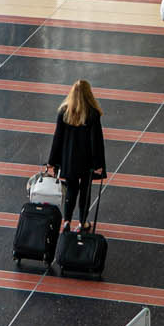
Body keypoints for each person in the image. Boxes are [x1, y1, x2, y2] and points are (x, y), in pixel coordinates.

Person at [44, 80, 108, 225]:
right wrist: (98, 164)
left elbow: (57, 139)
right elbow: (96, 141)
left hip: (69, 159)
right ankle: (82, 222)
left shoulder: (64, 112)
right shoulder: (92, 114)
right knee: (85, 191)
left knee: (71, 189)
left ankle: (66, 220)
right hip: (86, 161)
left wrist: (51, 162)